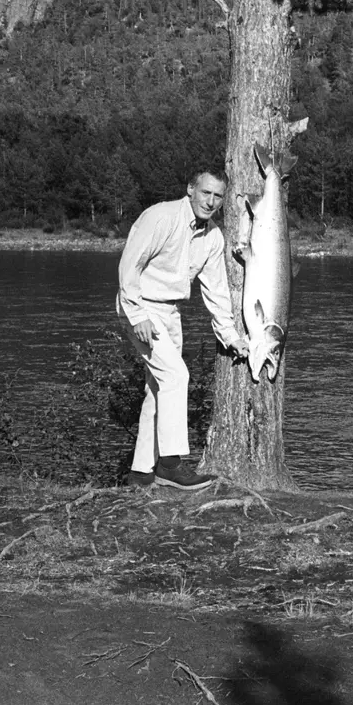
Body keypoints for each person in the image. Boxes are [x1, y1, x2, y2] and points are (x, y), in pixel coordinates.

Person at [116, 170, 248, 491]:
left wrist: (231, 338)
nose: (211, 202)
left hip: (170, 313)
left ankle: (141, 474)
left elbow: (216, 293)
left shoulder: (213, 237)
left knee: (159, 389)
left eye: (218, 196)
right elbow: (129, 264)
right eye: (205, 193)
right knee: (177, 376)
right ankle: (170, 464)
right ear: (190, 189)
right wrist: (136, 314)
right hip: (142, 307)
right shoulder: (161, 217)